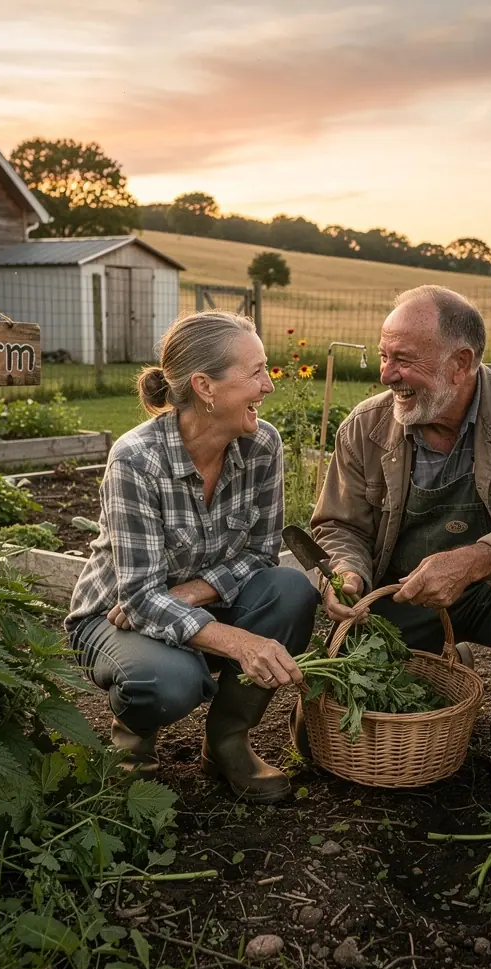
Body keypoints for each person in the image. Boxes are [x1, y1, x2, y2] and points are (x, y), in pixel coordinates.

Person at [308, 285, 491, 801]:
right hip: (404, 595)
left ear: (460, 363)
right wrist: (348, 572)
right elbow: (340, 526)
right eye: (383, 356)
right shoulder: (366, 427)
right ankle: (449, 659)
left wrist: (474, 561)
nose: (385, 375)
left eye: (402, 359)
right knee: (339, 717)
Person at [66, 310, 319, 805]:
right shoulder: (136, 459)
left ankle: (227, 741)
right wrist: (240, 642)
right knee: (168, 681)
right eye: (256, 372)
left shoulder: (262, 445)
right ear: (205, 386)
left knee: (292, 592)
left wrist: (191, 593)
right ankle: (132, 746)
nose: (268, 386)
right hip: (112, 617)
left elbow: (261, 553)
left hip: (189, 601)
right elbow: (137, 598)